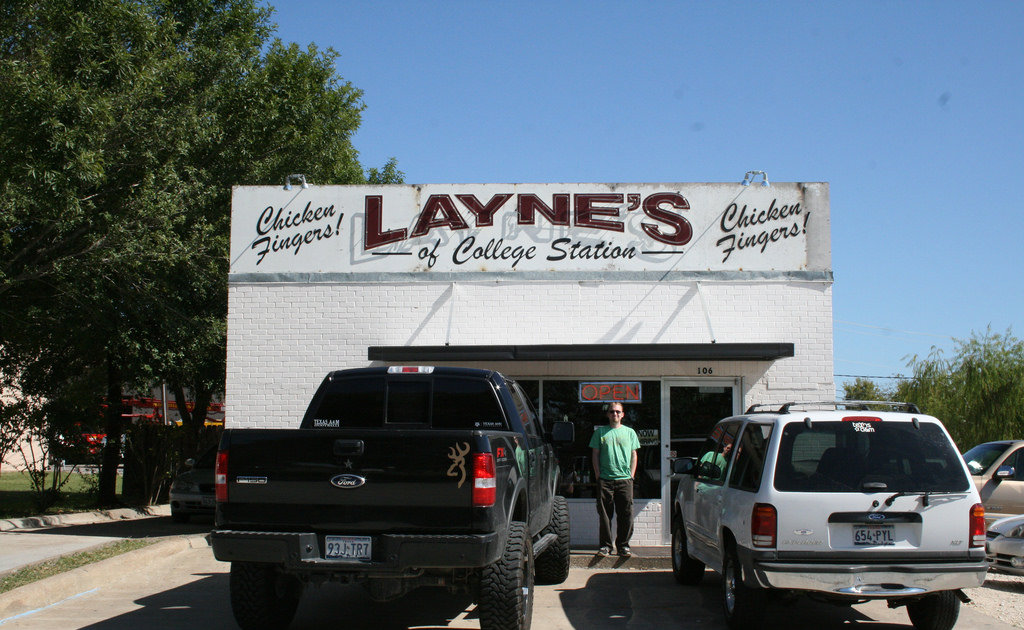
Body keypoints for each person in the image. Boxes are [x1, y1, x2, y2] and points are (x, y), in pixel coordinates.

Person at [590, 401, 641, 557]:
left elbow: (634, 454)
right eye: (612, 412)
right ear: (608, 414)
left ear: (623, 414)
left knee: (626, 514)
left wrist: (631, 475)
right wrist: (598, 475)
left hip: (625, 480)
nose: (615, 414)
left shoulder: (630, 432)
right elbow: (595, 455)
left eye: (618, 412)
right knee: (605, 515)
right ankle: (605, 546)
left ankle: (623, 546)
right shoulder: (600, 433)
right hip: (605, 480)